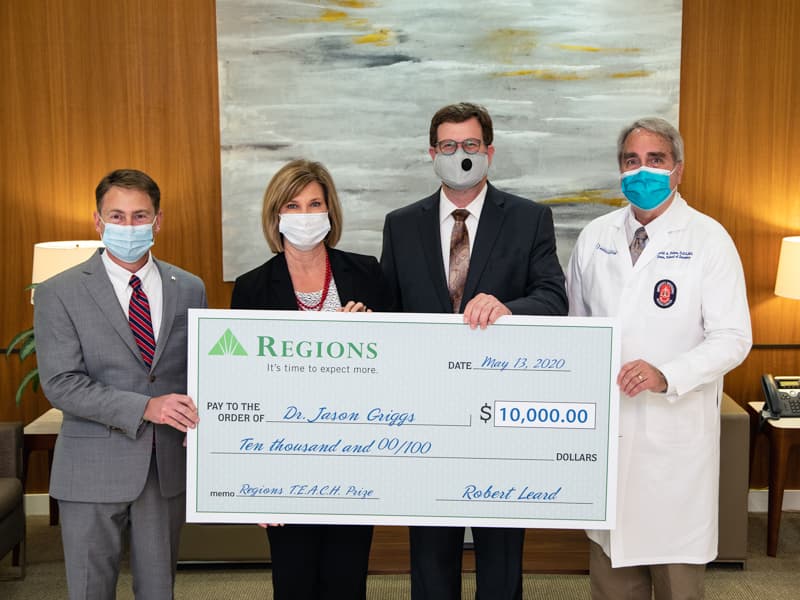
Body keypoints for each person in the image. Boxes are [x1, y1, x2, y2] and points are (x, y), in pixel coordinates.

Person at [381, 102, 568, 600]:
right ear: (431, 153)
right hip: (425, 416)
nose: (458, 154)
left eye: (469, 145)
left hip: (501, 418)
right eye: (447, 146)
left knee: (501, 556)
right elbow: (389, 315)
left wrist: (508, 308)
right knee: (430, 556)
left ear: (489, 151)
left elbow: (554, 298)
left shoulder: (529, 219)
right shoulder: (401, 225)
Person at [566, 118, 752, 600]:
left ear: (678, 170)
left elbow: (733, 338)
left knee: (677, 582)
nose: (642, 171)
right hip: (609, 433)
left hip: (674, 438)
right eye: (632, 161)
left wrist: (666, 374)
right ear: (620, 169)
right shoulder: (595, 237)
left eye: (655, 160)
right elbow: (575, 326)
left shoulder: (708, 239)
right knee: (612, 577)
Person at [33, 169, 207, 599]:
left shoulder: (189, 287)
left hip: (163, 468)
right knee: (91, 590)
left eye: (140, 216)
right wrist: (145, 407)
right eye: (118, 216)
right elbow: (61, 383)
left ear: (157, 221)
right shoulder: (59, 292)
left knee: (158, 590)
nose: (129, 227)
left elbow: (200, 371)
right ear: (98, 222)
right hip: (90, 468)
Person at [230, 159, 392, 600]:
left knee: (346, 581)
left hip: (355, 455)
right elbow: (242, 389)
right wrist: (254, 483)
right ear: (275, 215)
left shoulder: (366, 273)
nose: (305, 215)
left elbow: (398, 366)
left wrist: (372, 335)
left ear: (330, 210)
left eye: (315, 203)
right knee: (294, 582)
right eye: (293, 205)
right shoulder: (251, 288)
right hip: (283, 462)